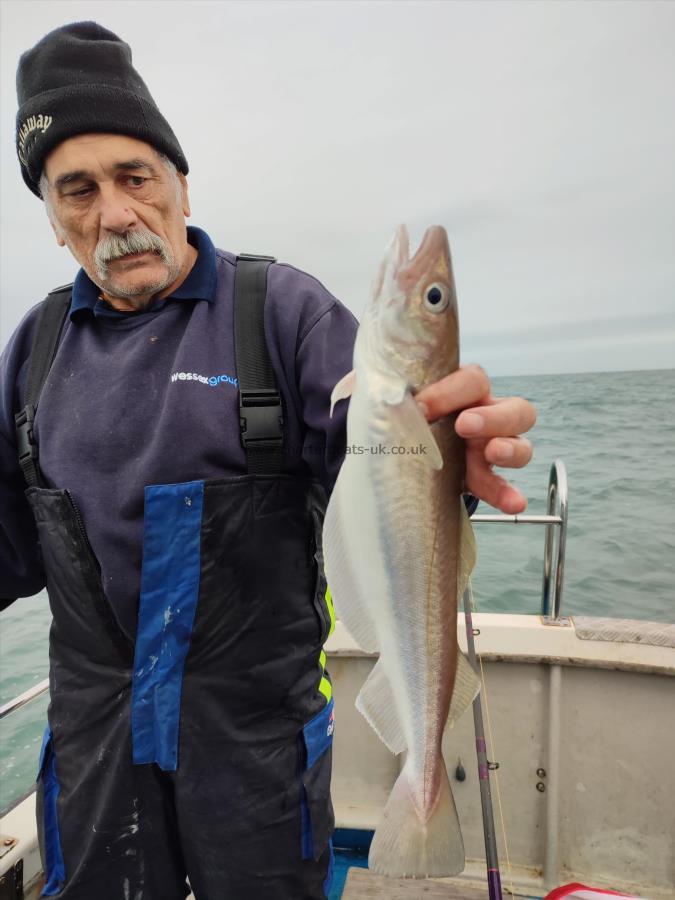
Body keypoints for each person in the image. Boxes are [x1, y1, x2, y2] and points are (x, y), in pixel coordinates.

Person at [0, 21, 536, 900]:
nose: (115, 214)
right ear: (53, 220)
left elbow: (386, 481)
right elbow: (10, 544)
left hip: (252, 745)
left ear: (179, 181)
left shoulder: (282, 314)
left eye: (135, 176)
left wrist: (454, 460)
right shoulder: (35, 349)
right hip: (94, 751)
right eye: (77, 190)